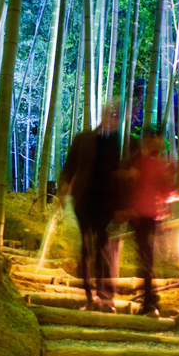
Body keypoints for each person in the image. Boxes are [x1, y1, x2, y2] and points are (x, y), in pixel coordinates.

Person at [58, 103, 121, 312]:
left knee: (103, 248)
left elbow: (120, 173)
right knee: (86, 248)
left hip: (106, 204)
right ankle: (89, 296)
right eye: (108, 115)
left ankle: (105, 297)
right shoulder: (83, 138)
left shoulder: (117, 143)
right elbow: (69, 166)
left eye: (114, 117)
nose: (110, 119)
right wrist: (64, 185)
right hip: (84, 201)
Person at [117, 129, 178, 316]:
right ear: (148, 142)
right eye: (155, 142)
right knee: (145, 257)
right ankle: (150, 301)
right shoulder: (140, 162)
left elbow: (165, 191)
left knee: (146, 257)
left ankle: (150, 301)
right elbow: (128, 185)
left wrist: (172, 178)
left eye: (159, 143)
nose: (158, 146)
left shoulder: (153, 164)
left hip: (150, 216)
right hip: (141, 215)